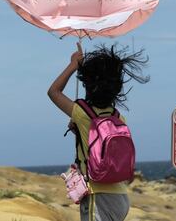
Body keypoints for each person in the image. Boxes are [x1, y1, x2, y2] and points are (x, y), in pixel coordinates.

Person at [48, 42, 149, 221]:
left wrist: (73, 65)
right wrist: (78, 131)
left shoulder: (81, 112)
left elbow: (54, 92)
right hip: (120, 196)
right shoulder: (117, 117)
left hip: (98, 196)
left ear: (87, 84)